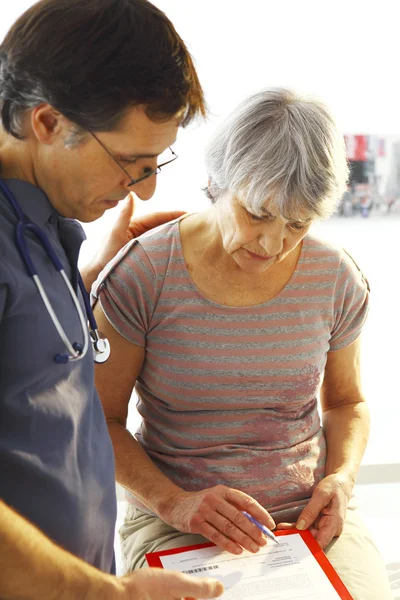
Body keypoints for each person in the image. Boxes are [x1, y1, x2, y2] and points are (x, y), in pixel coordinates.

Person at [93, 88, 393, 600]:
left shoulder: (335, 277)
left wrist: (340, 481)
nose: (273, 245)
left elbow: (347, 402)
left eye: (298, 224)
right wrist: (174, 504)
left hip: (307, 517)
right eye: (257, 213)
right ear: (217, 183)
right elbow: (100, 420)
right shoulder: (144, 273)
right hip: (175, 520)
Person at [0, 1, 224, 598]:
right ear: (47, 123)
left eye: (156, 163)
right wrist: (107, 594)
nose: (145, 187)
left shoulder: (48, 226)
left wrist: (91, 276)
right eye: (130, 162)